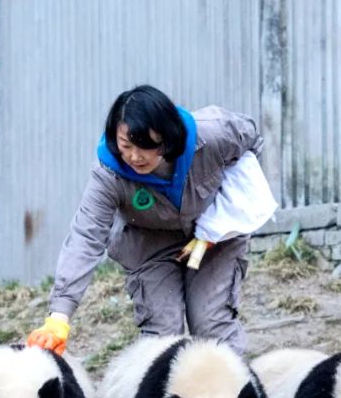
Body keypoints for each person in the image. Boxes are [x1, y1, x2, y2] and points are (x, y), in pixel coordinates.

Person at [26, 85, 277, 356]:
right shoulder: (108, 175)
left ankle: (230, 394)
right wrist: (59, 316)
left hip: (214, 239)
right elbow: (86, 238)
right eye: (126, 146)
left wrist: (219, 220)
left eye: (145, 146)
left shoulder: (214, 134)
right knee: (162, 339)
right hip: (150, 246)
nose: (134, 156)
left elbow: (251, 142)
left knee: (211, 326)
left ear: (168, 138)